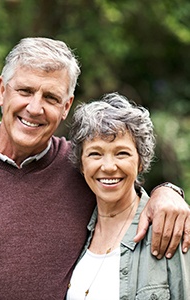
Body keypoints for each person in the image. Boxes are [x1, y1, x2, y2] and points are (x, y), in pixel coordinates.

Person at [0, 37, 189, 299]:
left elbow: (124, 184)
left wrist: (167, 192)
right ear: (2, 90)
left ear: (66, 106)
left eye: (50, 97)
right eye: (25, 91)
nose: (35, 108)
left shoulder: (78, 165)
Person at [66, 92, 190, 300]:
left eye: (122, 153)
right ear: (81, 164)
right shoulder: (75, 233)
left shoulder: (168, 229)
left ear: (141, 161)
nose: (108, 167)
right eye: (95, 154)